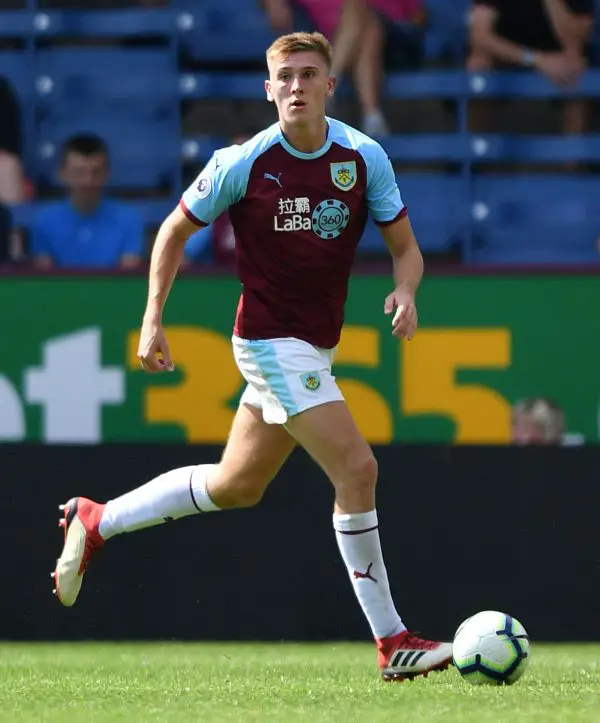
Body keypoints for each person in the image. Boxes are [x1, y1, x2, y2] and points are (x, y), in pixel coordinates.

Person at [51, 31, 452, 682]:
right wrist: (152, 319)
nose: (296, 86)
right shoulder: (242, 162)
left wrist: (406, 291)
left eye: (309, 74)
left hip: (314, 344)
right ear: (268, 90)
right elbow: (173, 230)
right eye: (284, 76)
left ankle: (98, 519)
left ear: (330, 85)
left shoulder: (362, 156)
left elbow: (406, 248)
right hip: (268, 340)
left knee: (237, 484)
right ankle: (393, 642)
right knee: (358, 468)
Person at [468, 0, 595, 134]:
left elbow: (575, 43)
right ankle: (478, 143)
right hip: (510, 55)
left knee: (577, 66)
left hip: (557, 57)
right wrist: (536, 59)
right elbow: (479, 36)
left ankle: (572, 145)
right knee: (478, 64)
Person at [30, 134, 143, 269]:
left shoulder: (129, 220)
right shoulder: (44, 222)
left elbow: (128, 276)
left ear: (107, 174)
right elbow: (44, 276)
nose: (87, 181)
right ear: (63, 174)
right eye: (79, 172)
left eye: (96, 172)